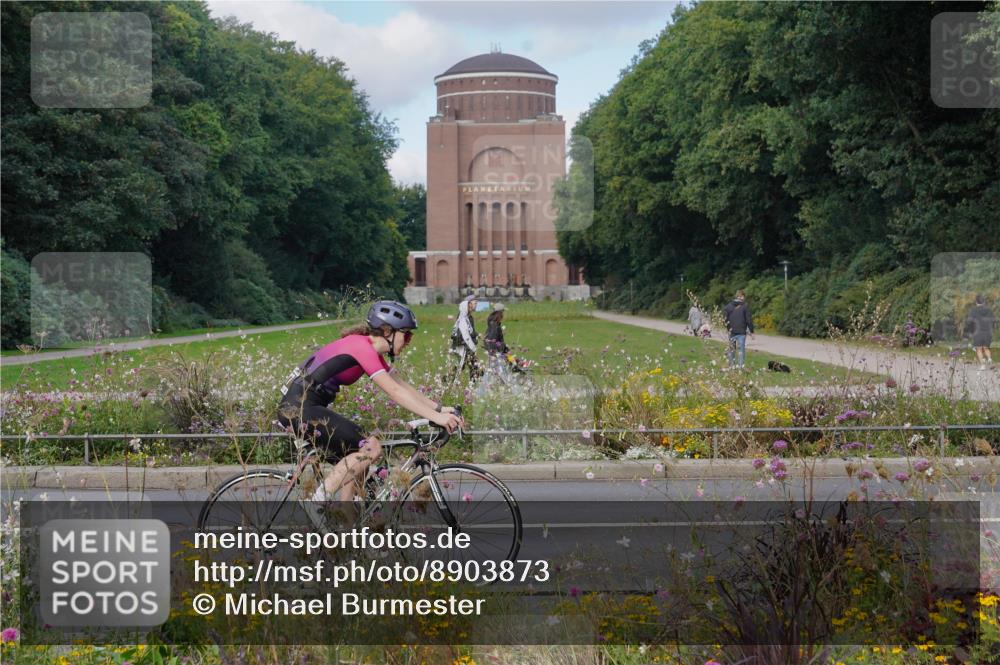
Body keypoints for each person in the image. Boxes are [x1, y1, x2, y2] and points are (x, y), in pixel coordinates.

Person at [278, 300, 463, 502]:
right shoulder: (361, 347)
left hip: (308, 406)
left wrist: (440, 409)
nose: (409, 340)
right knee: (371, 448)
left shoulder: (368, 348)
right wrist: (438, 417)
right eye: (406, 334)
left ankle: (346, 526)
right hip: (299, 408)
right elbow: (394, 392)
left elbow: (402, 386)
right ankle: (317, 502)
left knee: (359, 465)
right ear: (387, 331)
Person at [450, 295, 481, 379]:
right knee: (464, 366)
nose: (476, 305)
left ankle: (472, 384)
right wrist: (473, 347)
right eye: (475, 303)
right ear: (469, 304)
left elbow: (471, 331)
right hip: (464, 346)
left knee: (474, 366)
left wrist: (477, 335)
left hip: (467, 345)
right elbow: (465, 333)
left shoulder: (469, 317)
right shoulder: (464, 317)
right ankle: (449, 381)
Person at [723, 290, 755, 368]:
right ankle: (740, 366)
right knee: (741, 350)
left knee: (731, 349)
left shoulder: (728, 306)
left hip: (732, 331)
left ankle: (731, 366)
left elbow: (725, 319)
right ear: (741, 296)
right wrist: (751, 330)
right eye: (743, 296)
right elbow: (748, 319)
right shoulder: (745, 306)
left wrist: (728, 328)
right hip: (741, 331)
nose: (744, 298)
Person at [965, 294, 995, 369]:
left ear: (976, 302)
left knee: (978, 349)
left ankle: (982, 365)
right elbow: (993, 321)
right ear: (984, 302)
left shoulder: (973, 311)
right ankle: (989, 358)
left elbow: (969, 322)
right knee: (986, 348)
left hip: (977, 332)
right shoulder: (989, 310)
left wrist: (970, 331)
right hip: (988, 332)